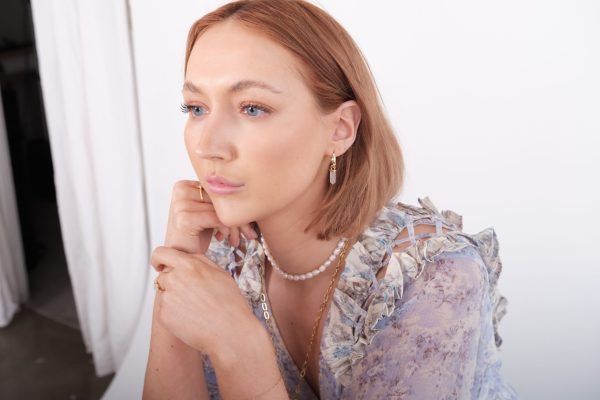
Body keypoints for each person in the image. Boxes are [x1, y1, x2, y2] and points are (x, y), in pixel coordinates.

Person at [142, 1, 519, 399]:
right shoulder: (227, 251)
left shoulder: (430, 277)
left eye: (253, 108)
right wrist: (180, 263)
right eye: (196, 108)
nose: (207, 146)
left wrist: (241, 350)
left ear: (339, 130)